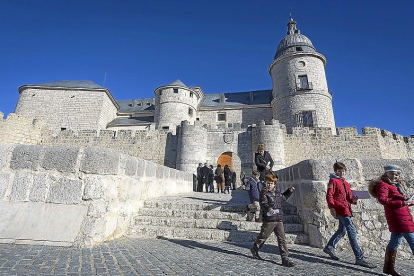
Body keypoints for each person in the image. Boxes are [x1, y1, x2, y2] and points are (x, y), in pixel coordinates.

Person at [323, 162, 376, 268]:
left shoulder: (346, 183)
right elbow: (329, 195)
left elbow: (348, 198)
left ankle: (329, 246)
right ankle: (359, 257)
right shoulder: (333, 181)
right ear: (336, 172)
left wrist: (354, 199)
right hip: (340, 209)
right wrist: (332, 207)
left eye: (343, 171)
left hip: (346, 209)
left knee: (342, 231)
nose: (342, 173)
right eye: (339, 171)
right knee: (351, 230)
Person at [368, 164, 414, 276]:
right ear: (386, 173)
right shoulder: (382, 184)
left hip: (402, 216)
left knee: (395, 241)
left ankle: (388, 268)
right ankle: (388, 268)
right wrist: (403, 203)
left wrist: (409, 202)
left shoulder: (395, 185)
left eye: (397, 174)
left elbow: (400, 200)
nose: (395, 176)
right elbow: (383, 200)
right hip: (397, 218)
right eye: (392, 173)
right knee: (412, 241)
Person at [250, 173, 296, 267]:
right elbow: (263, 203)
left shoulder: (278, 193)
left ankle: (285, 258)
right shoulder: (264, 193)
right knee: (263, 236)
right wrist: (269, 209)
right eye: (268, 183)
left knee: (282, 239)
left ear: (274, 183)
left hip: (279, 219)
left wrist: (289, 191)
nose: (269, 185)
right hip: (269, 219)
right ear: (265, 183)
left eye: (271, 183)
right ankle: (255, 248)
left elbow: (283, 198)